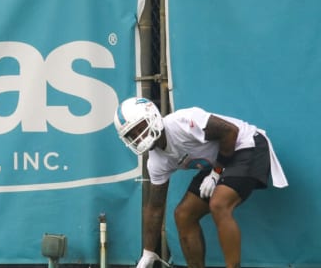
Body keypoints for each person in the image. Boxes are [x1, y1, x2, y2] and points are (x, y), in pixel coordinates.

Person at [113, 97, 288, 268]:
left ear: (152, 116)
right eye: (132, 135)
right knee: (184, 215)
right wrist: (148, 252)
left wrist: (216, 173)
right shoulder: (156, 162)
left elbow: (230, 132)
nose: (139, 136)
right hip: (220, 160)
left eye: (140, 128)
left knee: (219, 203)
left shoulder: (182, 121)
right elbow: (156, 207)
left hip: (247, 144)